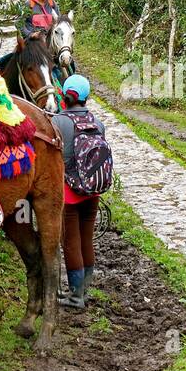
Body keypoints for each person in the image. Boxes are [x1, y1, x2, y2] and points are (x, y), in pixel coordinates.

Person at [51, 74, 112, 309]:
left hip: (69, 193)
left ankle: (76, 297)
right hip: (93, 192)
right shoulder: (98, 123)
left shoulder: (58, 122)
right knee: (87, 239)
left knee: (71, 242)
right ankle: (84, 291)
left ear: (64, 96)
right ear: (86, 97)